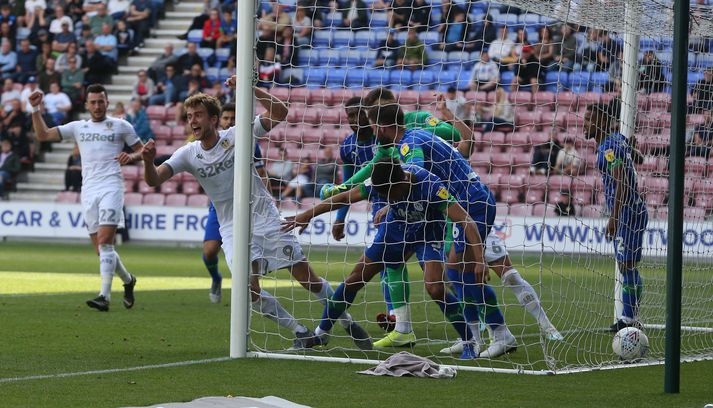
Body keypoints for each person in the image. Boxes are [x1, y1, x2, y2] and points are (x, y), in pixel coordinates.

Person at [140, 80, 370, 350]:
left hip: (264, 217)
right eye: (189, 116)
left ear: (214, 119)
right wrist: (147, 161)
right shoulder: (188, 154)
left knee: (306, 278)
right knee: (248, 289)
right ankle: (300, 332)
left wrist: (251, 89)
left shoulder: (238, 135)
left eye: (198, 115)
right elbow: (155, 180)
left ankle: (346, 321)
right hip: (231, 226)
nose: (193, 121)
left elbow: (280, 112)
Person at [283, 158, 478, 358]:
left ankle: (469, 342)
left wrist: (479, 260)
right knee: (354, 279)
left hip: (428, 234)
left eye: (386, 194)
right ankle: (321, 334)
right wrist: (308, 214)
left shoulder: (431, 186)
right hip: (395, 228)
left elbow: (466, 220)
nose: (383, 196)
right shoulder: (381, 181)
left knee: (435, 288)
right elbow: (345, 197)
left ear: (400, 183)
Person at [363, 103, 516, 358]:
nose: (372, 131)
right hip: (469, 197)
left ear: (381, 127)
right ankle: (472, 336)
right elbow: (459, 145)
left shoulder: (407, 145)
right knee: (455, 272)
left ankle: (500, 333)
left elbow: (414, 172)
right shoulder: (417, 134)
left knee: (462, 272)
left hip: (470, 201)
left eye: (373, 126)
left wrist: (391, 205)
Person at [29, 83, 142, 311]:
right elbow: (42, 135)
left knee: (105, 243)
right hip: (89, 190)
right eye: (93, 102)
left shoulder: (121, 125)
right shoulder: (78, 127)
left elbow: (144, 151)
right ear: (86, 104)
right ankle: (128, 280)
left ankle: (104, 296)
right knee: (102, 249)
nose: (98, 106)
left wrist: (131, 157)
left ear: (107, 102)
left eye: (101, 101)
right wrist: (35, 109)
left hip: (112, 186)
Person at [334, 97, 409, 330]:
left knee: (433, 268)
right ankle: (395, 316)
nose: (354, 120)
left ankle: (400, 318)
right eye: (350, 116)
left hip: (405, 197)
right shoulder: (348, 147)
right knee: (390, 261)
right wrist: (339, 217)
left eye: (358, 115)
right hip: (379, 206)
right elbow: (348, 183)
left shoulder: (385, 137)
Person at [584, 102, 648, 332]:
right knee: (626, 266)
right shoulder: (617, 139)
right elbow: (639, 159)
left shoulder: (608, 148)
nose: (584, 124)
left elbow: (621, 179)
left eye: (589, 120)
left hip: (628, 214)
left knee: (627, 266)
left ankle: (629, 321)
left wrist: (614, 218)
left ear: (602, 121)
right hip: (632, 210)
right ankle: (630, 318)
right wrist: (633, 149)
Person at [198, 103, 268, 304]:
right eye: (226, 118)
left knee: (251, 252)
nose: (229, 121)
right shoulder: (208, 145)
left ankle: (253, 293)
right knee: (210, 251)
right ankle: (216, 279)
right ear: (219, 120)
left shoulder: (248, 142)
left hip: (249, 204)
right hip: (221, 207)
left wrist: (269, 200)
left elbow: (261, 173)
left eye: (233, 118)